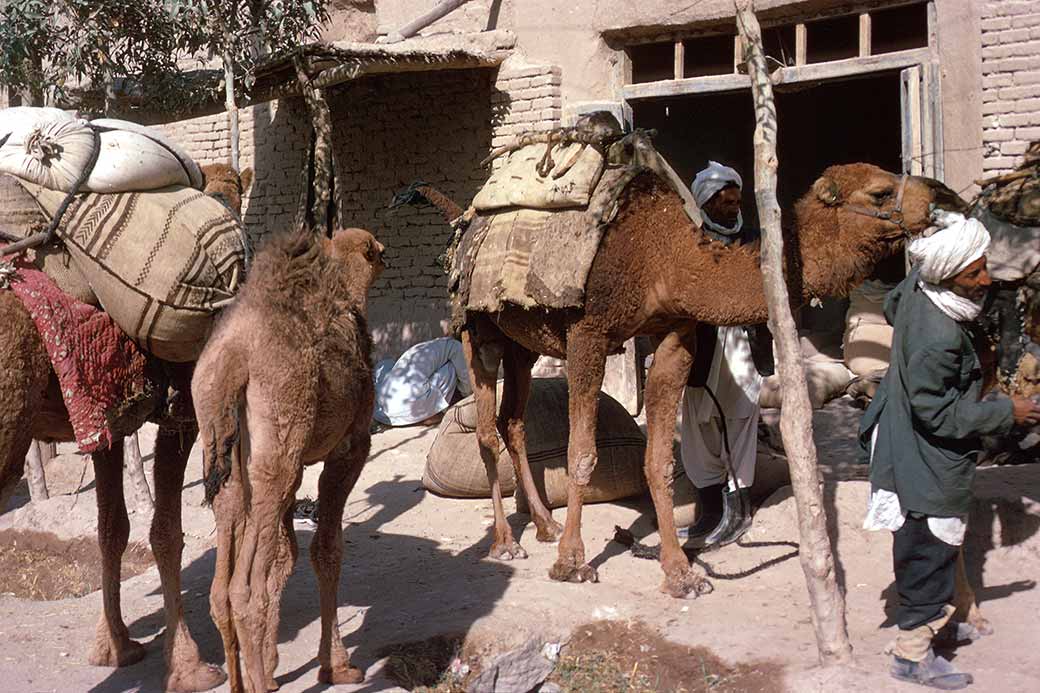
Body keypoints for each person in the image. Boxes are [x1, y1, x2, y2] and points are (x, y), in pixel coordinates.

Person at [860, 212, 1040, 690]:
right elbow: (937, 415)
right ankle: (910, 655)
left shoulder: (920, 288)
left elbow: (895, 300)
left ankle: (941, 620)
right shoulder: (939, 337)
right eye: (973, 274)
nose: (984, 279)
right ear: (948, 275)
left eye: (983, 266)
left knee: (939, 545)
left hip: (910, 436)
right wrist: (1009, 413)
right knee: (926, 550)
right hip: (920, 454)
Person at [678, 161, 770, 547]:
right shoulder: (692, 240)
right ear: (706, 203)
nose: (733, 207)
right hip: (703, 346)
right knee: (699, 424)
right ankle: (710, 509)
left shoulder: (754, 239)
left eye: (736, 201)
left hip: (742, 343)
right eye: (725, 202)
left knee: (742, 417)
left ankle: (738, 507)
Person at [372, 336, 472, 427]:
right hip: (416, 401)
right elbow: (456, 349)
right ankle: (433, 412)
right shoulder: (452, 344)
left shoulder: (411, 354)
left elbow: (383, 365)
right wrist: (468, 393)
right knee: (455, 364)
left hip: (388, 414)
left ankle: (421, 417)